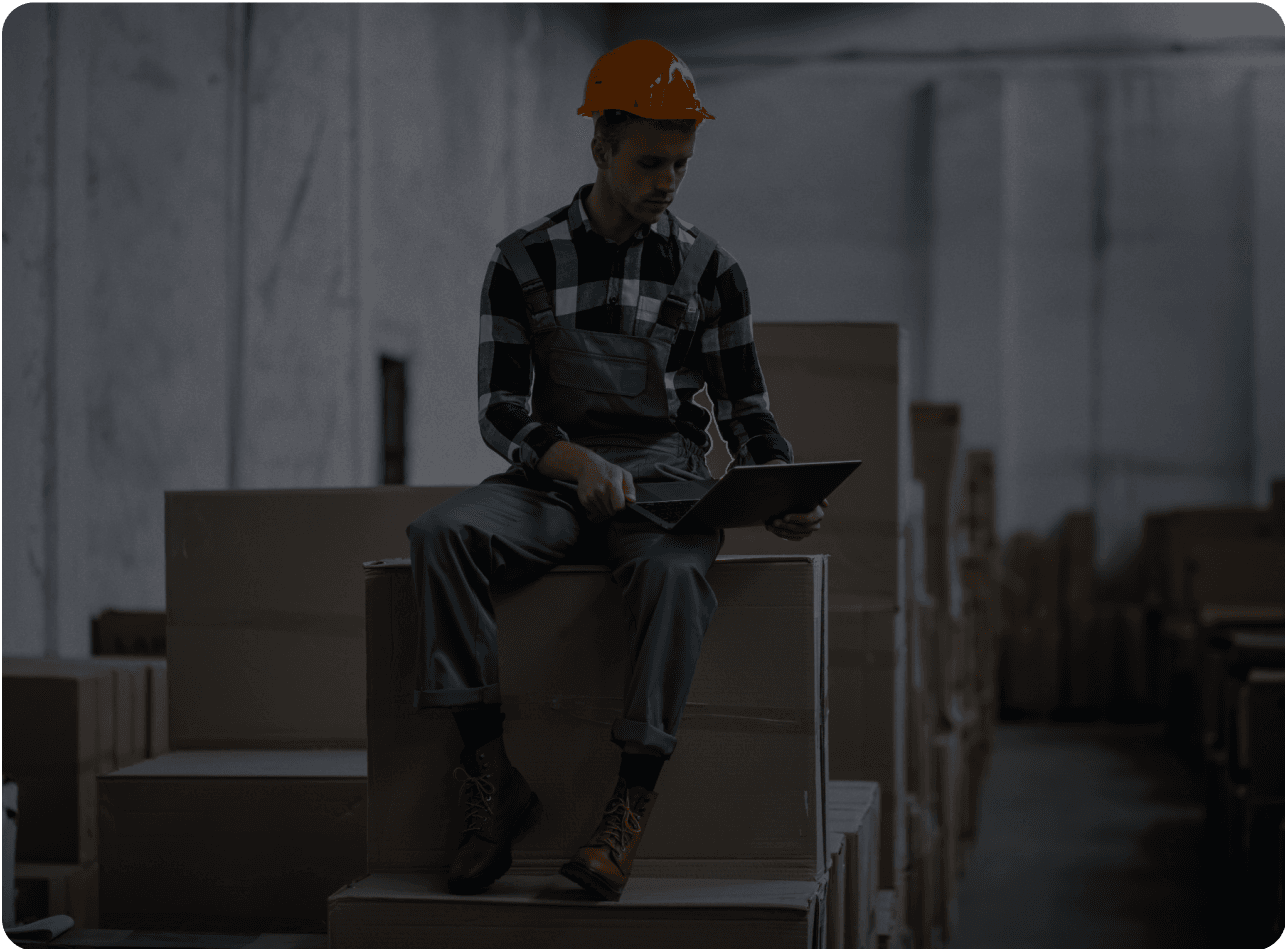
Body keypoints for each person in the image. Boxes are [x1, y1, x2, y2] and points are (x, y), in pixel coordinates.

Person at [404, 38, 827, 902]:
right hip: (554, 479)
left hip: (667, 483)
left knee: (675, 582)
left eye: (681, 163)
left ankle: (629, 802)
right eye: (647, 161)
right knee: (439, 535)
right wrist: (567, 459)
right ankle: (489, 779)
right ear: (600, 146)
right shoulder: (521, 261)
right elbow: (497, 407)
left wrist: (780, 484)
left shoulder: (711, 270)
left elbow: (745, 408)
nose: (667, 181)